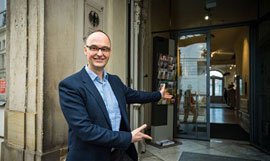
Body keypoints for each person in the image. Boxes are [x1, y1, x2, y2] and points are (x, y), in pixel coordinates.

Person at [58, 30, 172, 161]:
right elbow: (85, 130)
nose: (100, 53)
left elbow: (136, 95)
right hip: (90, 156)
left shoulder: (115, 81)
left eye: (105, 49)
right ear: (85, 50)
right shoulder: (70, 85)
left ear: (109, 52)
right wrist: (128, 138)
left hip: (118, 154)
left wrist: (158, 94)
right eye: (94, 48)